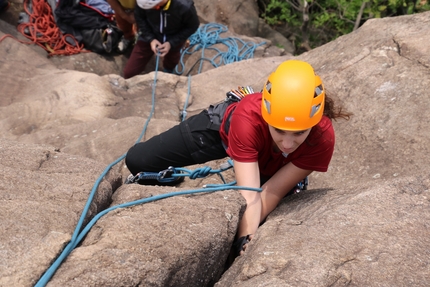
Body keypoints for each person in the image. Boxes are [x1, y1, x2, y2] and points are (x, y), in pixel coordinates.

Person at [125, 60, 352, 257]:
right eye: (279, 130)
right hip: (226, 129)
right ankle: (172, 180)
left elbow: (270, 192)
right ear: (266, 114)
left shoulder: (322, 138)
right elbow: (249, 194)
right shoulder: (249, 117)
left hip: (273, 165)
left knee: (256, 216)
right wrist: (245, 237)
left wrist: (243, 241)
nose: (288, 143)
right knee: (138, 161)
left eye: (299, 133)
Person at [122, 0, 199, 78]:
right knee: (129, 73)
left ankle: (168, 69)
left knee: (172, 59)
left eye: (155, 7)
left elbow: (192, 26)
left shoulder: (184, 6)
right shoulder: (142, 2)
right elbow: (140, 18)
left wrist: (171, 43)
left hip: (174, 36)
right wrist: (151, 39)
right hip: (150, 33)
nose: (153, 9)